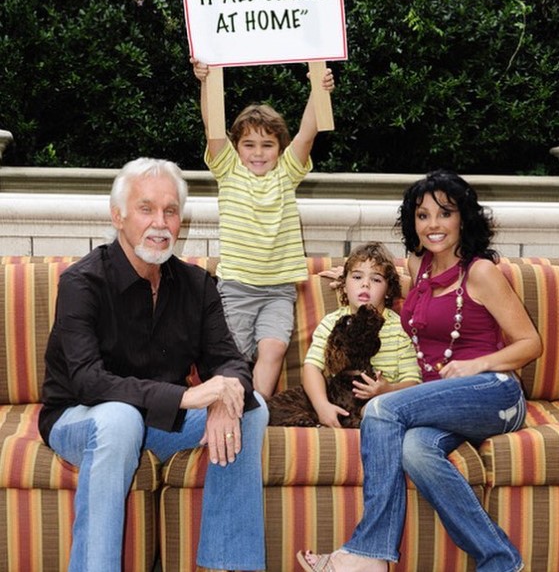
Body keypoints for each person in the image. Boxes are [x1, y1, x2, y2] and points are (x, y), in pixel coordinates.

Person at [297, 168, 542, 572]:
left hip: (493, 392)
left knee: (381, 409)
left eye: (445, 213)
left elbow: (531, 343)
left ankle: (369, 553)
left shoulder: (481, 272)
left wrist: (476, 364)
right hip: (438, 400)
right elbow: (399, 285)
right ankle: (500, 562)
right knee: (414, 450)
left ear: (463, 218)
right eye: (422, 215)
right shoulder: (418, 265)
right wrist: (353, 277)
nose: (433, 225)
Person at [38, 157, 268, 572]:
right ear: (118, 216)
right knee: (120, 420)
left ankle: (226, 564)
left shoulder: (196, 285)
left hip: (161, 420)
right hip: (81, 416)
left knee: (250, 407)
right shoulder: (82, 282)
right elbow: (88, 381)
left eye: (170, 211)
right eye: (146, 209)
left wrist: (224, 395)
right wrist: (186, 397)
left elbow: (229, 361)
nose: (160, 223)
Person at [192, 59, 335, 399]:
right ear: (236, 147)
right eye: (249, 145)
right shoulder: (228, 170)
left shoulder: (287, 173)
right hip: (236, 287)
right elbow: (213, 127)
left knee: (273, 349)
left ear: (280, 149)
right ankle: (232, 409)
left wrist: (320, 89)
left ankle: (257, 409)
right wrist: (206, 81)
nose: (258, 153)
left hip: (278, 290)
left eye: (267, 145)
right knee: (233, 355)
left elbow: (307, 133)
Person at [268, 242, 420, 428]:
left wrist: (388, 389)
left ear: (389, 290)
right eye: (357, 277)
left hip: (383, 406)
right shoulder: (332, 322)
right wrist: (322, 406)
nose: (365, 284)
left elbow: (413, 381)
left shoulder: (400, 328)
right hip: (340, 401)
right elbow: (312, 368)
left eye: (376, 279)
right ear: (344, 285)